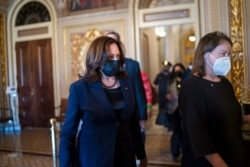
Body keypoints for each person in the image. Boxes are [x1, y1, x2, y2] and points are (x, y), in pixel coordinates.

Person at [59, 36, 147, 167]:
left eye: (118, 56)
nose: (116, 60)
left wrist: (141, 155)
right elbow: (68, 134)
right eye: (111, 57)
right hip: (94, 158)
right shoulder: (80, 88)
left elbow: (133, 124)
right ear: (97, 58)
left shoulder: (126, 83)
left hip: (125, 157)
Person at [179, 31, 250, 167]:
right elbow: (199, 137)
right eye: (223, 53)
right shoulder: (192, 85)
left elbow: (228, 118)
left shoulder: (225, 84)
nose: (226, 58)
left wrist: (247, 118)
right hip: (208, 163)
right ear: (206, 55)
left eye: (229, 54)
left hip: (234, 156)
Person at [107, 31, 148, 143]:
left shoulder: (132, 65)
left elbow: (139, 92)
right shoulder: (101, 66)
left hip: (131, 113)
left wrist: (142, 116)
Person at [166, 63, 185, 162]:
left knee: (184, 131)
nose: (178, 72)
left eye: (179, 70)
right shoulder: (170, 81)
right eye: (176, 70)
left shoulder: (187, 81)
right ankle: (175, 152)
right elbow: (165, 92)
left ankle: (184, 150)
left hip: (184, 110)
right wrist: (167, 96)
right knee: (176, 131)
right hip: (173, 110)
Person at [154, 60, 172, 130]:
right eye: (164, 66)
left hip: (169, 96)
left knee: (169, 109)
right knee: (161, 109)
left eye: (167, 67)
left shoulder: (171, 75)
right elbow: (155, 85)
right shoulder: (159, 76)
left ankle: (168, 123)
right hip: (161, 96)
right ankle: (163, 122)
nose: (165, 68)